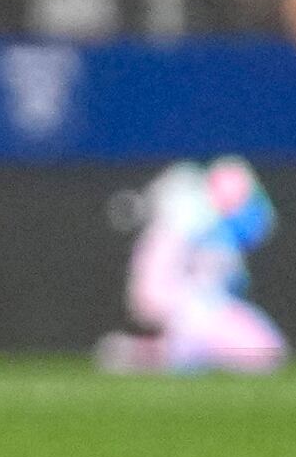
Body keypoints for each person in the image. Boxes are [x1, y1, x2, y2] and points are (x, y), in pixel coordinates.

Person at [95, 159, 283, 377]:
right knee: (257, 352)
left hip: (204, 306)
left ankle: (151, 352)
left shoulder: (213, 225)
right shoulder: (190, 222)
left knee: (266, 350)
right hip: (188, 307)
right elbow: (154, 285)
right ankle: (145, 354)